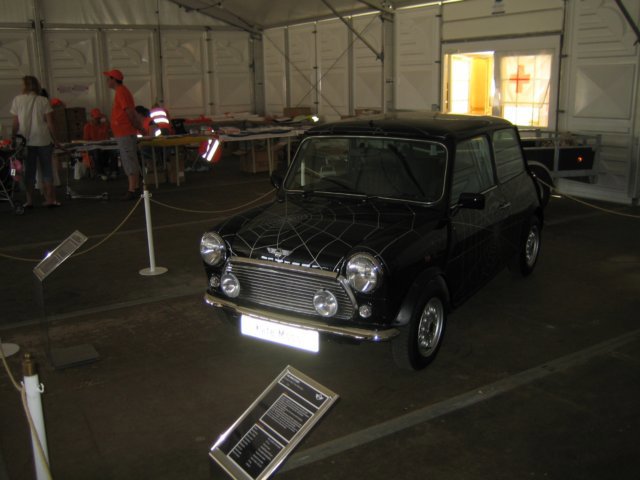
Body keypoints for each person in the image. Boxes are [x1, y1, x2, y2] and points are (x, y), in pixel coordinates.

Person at [10, 75, 60, 208]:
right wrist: (56, 140)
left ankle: (29, 201)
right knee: (47, 170)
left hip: (27, 142)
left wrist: (13, 138)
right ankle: (50, 199)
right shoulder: (43, 100)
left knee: (29, 172)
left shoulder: (17, 100)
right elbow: (50, 123)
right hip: (44, 140)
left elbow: (15, 123)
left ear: (24, 86)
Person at [103, 69, 143, 200]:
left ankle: (132, 189)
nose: (106, 81)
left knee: (128, 159)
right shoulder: (122, 92)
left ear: (114, 79)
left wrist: (138, 126)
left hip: (125, 132)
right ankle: (135, 187)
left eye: (108, 78)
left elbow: (129, 112)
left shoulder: (121, 92)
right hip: (125, 132)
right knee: (130, 158)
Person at [83, 107, 118, 180]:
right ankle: (100, 172)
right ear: (92, 118)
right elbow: (86, 140)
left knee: (114, 151)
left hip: (105, 146)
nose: (98, 120)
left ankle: (114, 171)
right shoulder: (87, 127)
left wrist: (106, 120)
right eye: (96, 118)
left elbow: (111, 131)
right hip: (94, 147)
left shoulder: (104, 125)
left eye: (99, 118)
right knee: (96, 152)